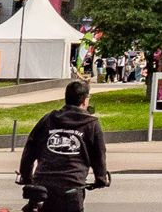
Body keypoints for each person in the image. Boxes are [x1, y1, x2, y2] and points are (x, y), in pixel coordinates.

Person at [19, 81, 110, 212]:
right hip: (72, 186)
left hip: (42, 185)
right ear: (85, 101)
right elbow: (99, 155)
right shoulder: (91, 124)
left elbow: (29, 150)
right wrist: (101, 179)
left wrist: (26, 176)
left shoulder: (48, 119)